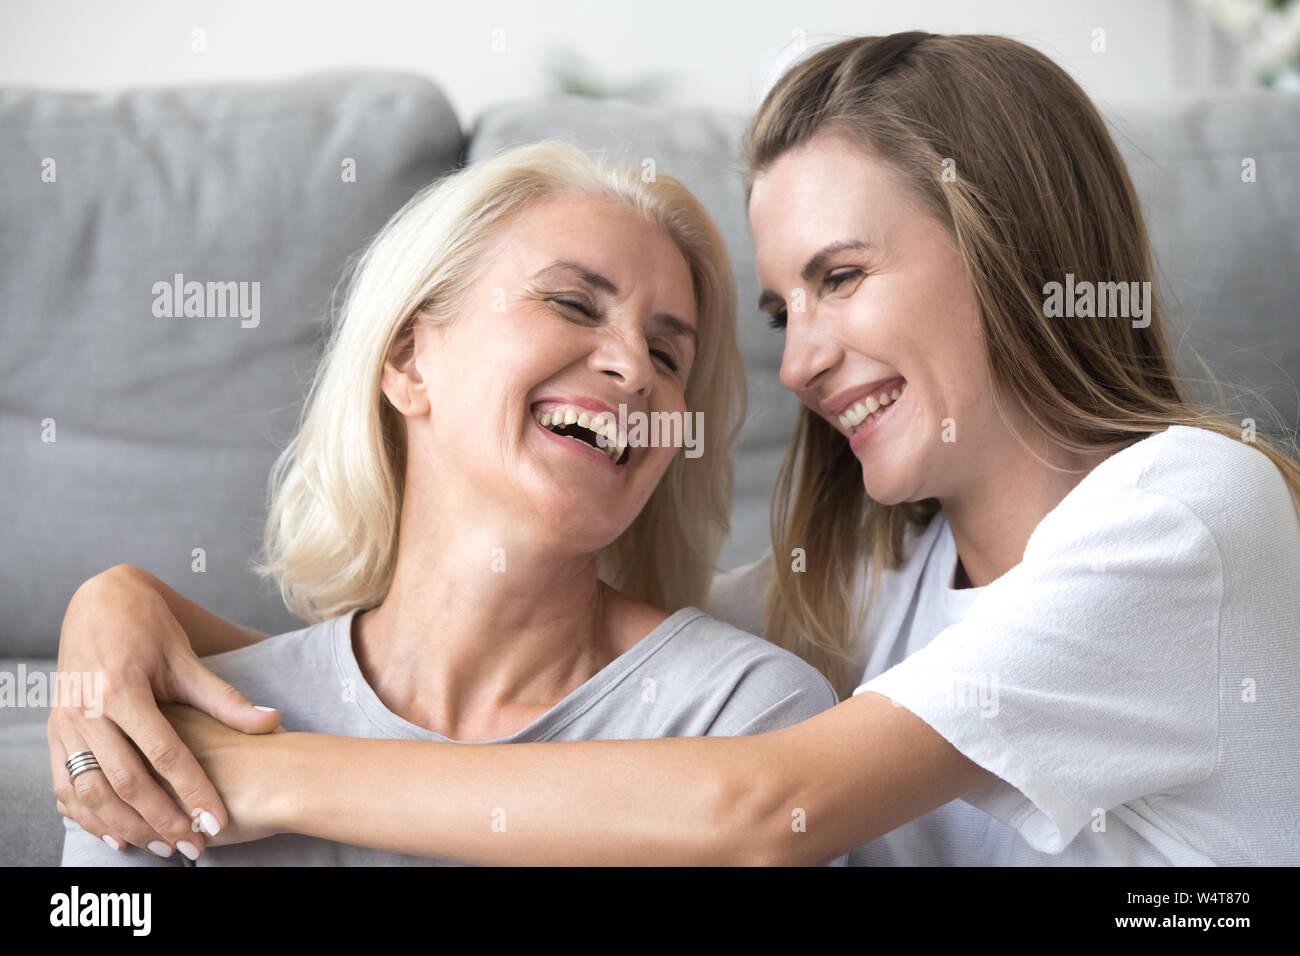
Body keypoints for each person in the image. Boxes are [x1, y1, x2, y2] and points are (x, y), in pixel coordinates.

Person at [52, 32, 1300, 866]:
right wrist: (124, 607)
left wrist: (252, 778)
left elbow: (758, 804)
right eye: (778, 313)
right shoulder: (867, 590)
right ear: (404, 358)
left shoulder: (1186, 512)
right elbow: (537, 656)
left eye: (842, 276)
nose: (798, 362)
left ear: (1008, 250)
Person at [54, 139, 845, 865]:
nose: (635, 369)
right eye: (573, 303)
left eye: (669, 354)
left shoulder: (741, 718)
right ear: (407, 361)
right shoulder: (160, 741)